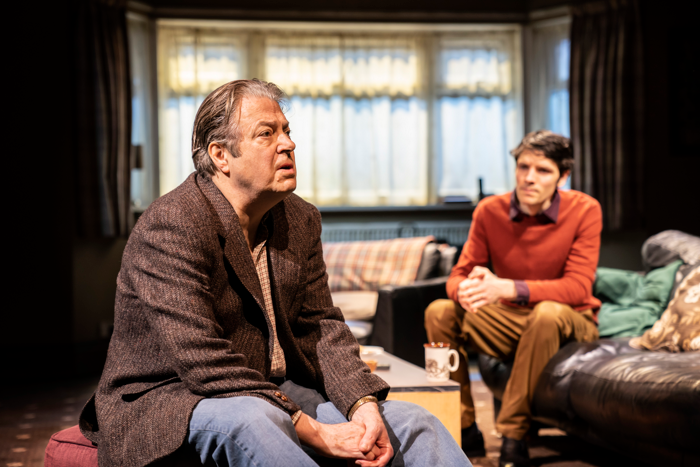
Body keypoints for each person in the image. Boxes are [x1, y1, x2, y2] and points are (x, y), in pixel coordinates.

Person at [79, 79, 469, 467]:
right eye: (266, 134)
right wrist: (317, 433)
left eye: (286, 131)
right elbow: (201, 359)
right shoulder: (172, 224)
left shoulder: (299, 218)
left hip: (275, 390)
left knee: (414, 422)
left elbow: (322, 328)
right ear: (221, 155)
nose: (288, 143)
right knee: (253, 419)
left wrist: (362, 404)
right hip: (170, 396)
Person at [424, 130, 602, 467]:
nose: (529, 178)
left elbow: (579, 287)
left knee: (547, 313)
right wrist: (465, 290)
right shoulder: (490, 210)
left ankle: (513, 435)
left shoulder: (584, 209)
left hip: (568, 321)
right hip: (512, 320)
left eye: (543, 170)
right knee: (440, 311)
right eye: (523, 167)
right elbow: (458, 276)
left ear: (563, 176)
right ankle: (464, 426)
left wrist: (508, 288)